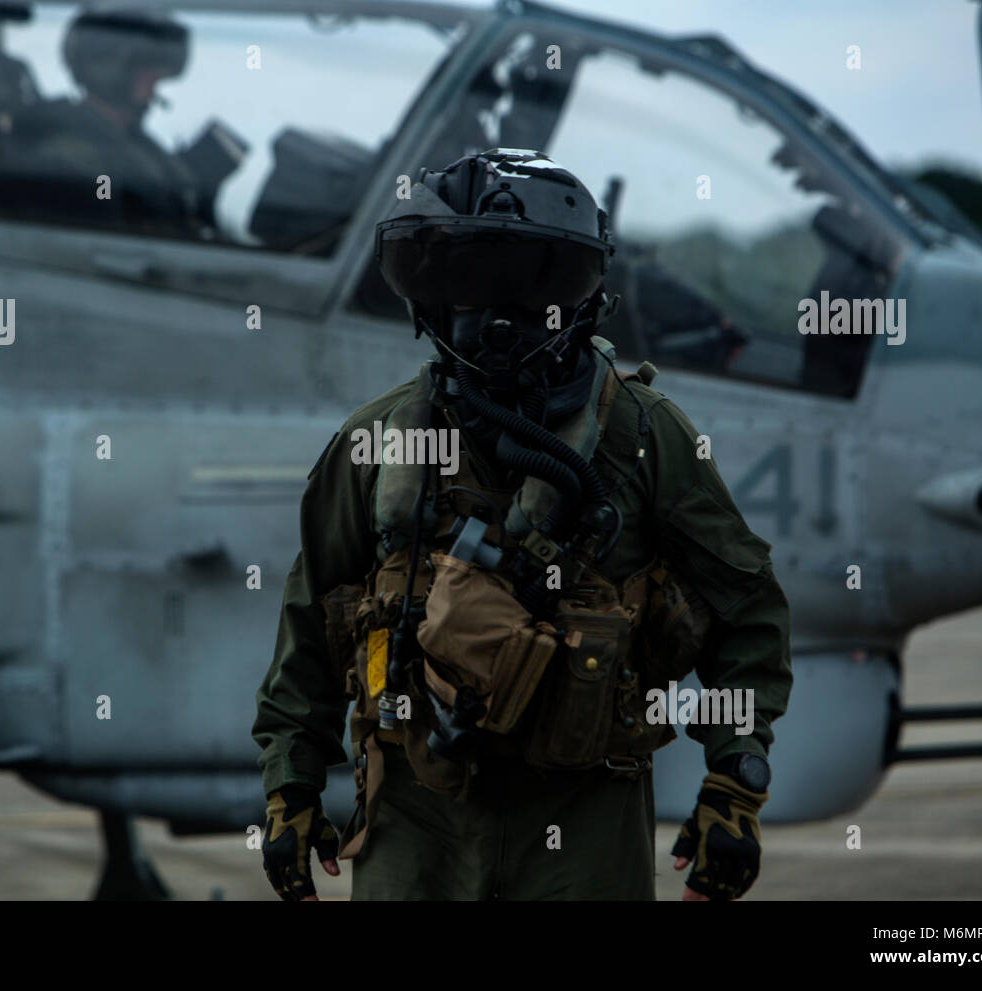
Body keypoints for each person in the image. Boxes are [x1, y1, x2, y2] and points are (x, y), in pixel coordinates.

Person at [253, 149, 792, 901]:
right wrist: (292, 788)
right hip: (416, 822)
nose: (495, 316)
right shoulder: (377, 446)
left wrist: (734, 783)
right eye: (467, 282)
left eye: (528, 281)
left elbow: (748, 614)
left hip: (584, 828)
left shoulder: (642, 437)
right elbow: (312, 624)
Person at [15, 8, 209, 238]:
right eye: (147, 69)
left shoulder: (130, 140)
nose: (158, 77)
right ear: (110, 71)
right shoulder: (68, 157)